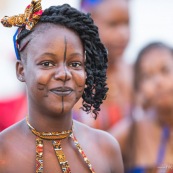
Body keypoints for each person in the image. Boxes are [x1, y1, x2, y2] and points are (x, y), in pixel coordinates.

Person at [0, 0, 123, 173]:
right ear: (21, 71)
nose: (64, 74)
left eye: (75, 64)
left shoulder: (106, 148)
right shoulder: (3, 154)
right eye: (48, 63)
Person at [110, 42, 173, 172]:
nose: (158, 82)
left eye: (165, 70)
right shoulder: (132, 131)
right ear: (139, 89)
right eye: (147, 76)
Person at [74, 0, 133, 131]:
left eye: (126, 23)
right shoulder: (72, 77)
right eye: (113, 24)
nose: (123, 34)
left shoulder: (134, 73)